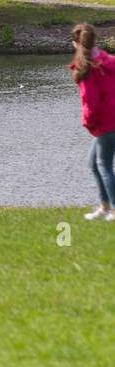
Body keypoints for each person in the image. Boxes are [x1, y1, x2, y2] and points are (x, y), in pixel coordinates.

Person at [71, 23, 115, 221]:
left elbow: (91, 102)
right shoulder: (107, 60)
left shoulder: (85, 67)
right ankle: (104, 208)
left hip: (107, 121)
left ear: (75, 43)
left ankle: (113, 209)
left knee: (103, 164)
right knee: (94, 163)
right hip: (110, 118)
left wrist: (89, 123)